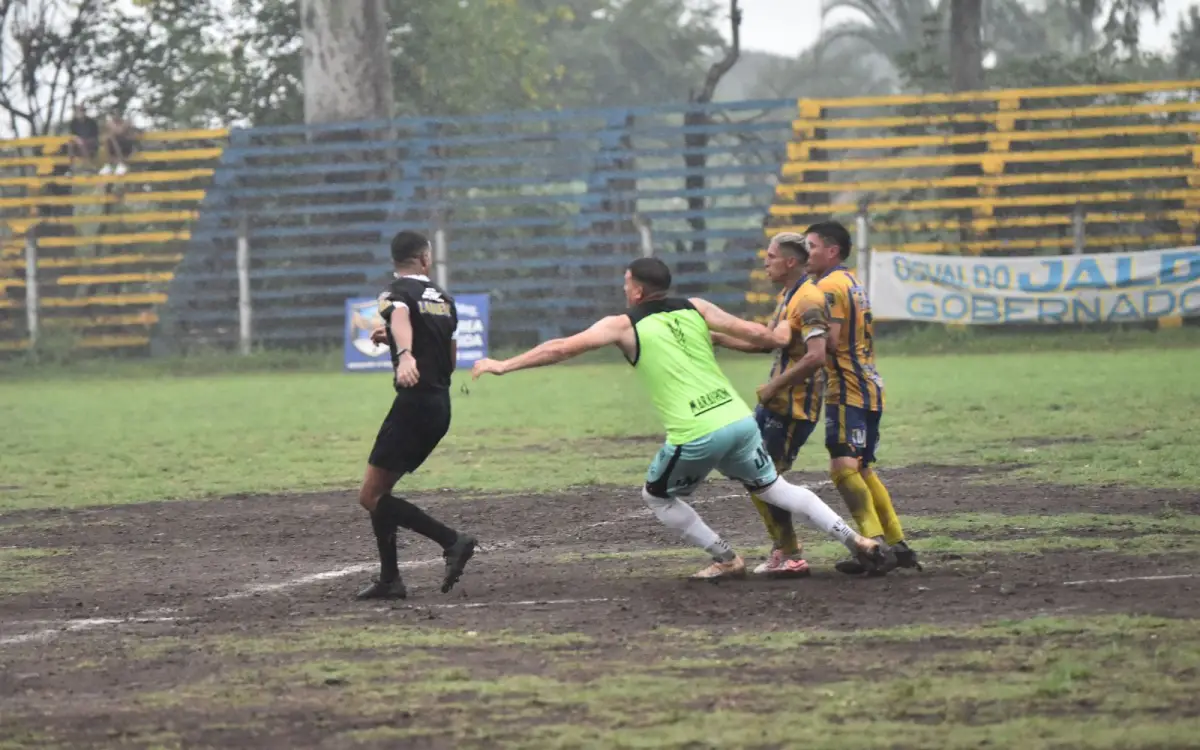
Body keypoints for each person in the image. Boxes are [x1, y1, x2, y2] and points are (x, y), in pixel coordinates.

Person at [472, 257, 888, 580]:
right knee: (777, 488)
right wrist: (786, 333)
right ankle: (857, 540)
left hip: (697, 431)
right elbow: (761, 334)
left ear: (636, 290)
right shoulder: (697, 306)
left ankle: (726, 558)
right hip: (739, 420)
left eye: (625, 284)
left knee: (657, 496)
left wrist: (504, 365)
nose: (624, 289)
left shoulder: (622, 325)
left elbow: (562, 347)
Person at [355, 230, 477, 600]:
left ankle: (452, 541)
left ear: (397, 261)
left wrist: (404, 353)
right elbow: (450, 358)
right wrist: (396, 341)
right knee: (382, 492)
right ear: (425, 259)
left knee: (371, 496)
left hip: (412, 406)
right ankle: (390, 579)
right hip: (440, 406)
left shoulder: (395, 295)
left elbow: (402, 315)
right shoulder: (446, 299)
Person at [802, 221, 921, 575]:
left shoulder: (828, 287)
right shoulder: (852, 282)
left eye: (811, 246)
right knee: (863, 468)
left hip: (847, 388)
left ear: (831, 250)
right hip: (869, 384)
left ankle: (872, 547)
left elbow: (832, 342)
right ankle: (897, 545)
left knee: (843, 469)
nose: (806, 253)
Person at [712, 232, 828, 578]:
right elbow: (767, 344)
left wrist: (774, 385)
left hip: (793, 408)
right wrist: (718, 338)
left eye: (772, 256)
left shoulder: (808, 299)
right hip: (775, 403)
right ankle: (784, 549)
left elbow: (817, 356)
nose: (766, 261)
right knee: (754, 475)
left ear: (791, 262)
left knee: (766, 479)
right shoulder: (788, 296)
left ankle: (791, 554)